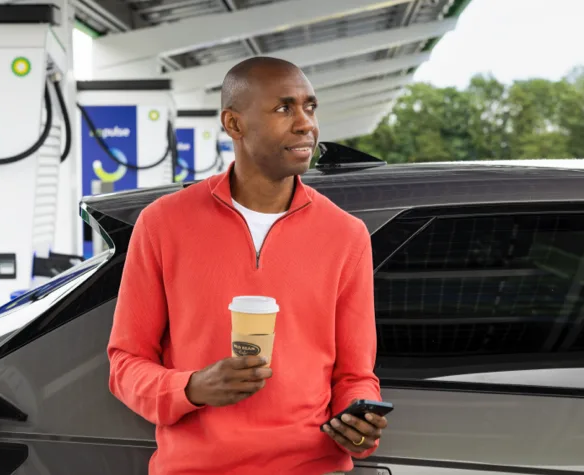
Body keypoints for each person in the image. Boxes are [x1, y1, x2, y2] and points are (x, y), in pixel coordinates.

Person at [107, 56, 388, 475]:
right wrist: (191, 387)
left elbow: (355, 375)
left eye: (310, 107)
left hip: (314, 467)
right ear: (234, 124)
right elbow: (125, 364)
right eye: (283, 108)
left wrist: (357, 422)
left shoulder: (345, 235)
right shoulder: (163, 223)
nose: (305, 124)